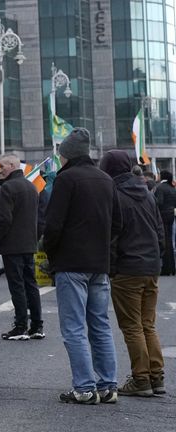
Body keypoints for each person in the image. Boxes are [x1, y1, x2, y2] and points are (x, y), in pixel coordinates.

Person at [43, 128, 120, 405]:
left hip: (71, 263)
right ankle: (108, 386)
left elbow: (53, 225)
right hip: (99, 264)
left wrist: (50, 252)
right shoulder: (105, 179)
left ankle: (85, 388)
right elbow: (118, 223)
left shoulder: (66, 179)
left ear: (67, 155)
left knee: (74, 328)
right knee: (100, 325)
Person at [100, 150, 166, 397]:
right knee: (148, 324)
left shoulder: (114, 194)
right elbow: (159, 230)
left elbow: (113, 235)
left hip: (128, 267)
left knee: (132, 326)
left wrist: (112, 267)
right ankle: (156, 376)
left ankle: (140, 379)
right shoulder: (147, 192)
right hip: (150, 266)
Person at [0, 154, 43, 341]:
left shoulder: (8, 187)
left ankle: (21, 325)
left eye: (2, 165)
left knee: (17, 286)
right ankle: (37, 325)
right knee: (31, 284)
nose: (0, 169)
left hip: (12, 244)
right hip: (29, 243)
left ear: (12, 165)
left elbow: (4, 219)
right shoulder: (31, 186)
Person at [153, 170, 176, 275]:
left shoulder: (160, 188)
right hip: (172, 216)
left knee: (164, 241)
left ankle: (166, 268)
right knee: (170, 241)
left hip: (163, 216)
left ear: (162, 176)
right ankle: (172, 267)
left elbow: (159, 202)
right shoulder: (172, 188)